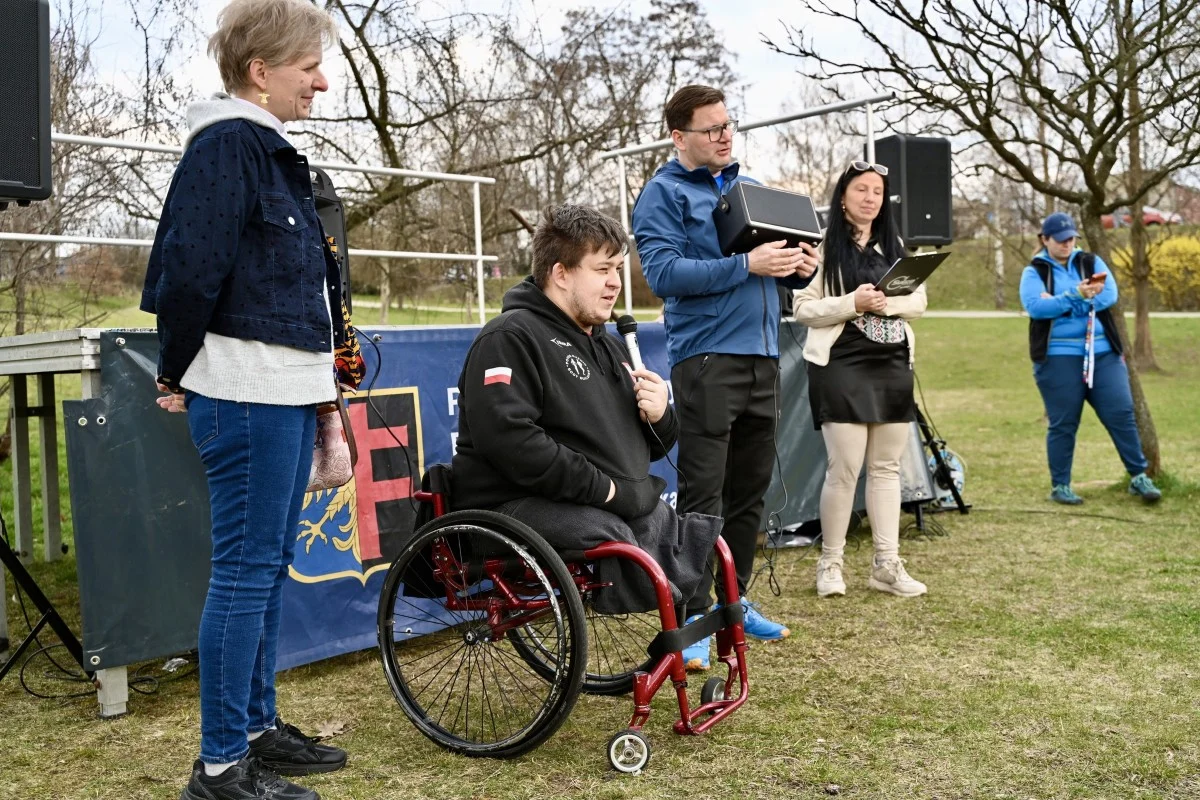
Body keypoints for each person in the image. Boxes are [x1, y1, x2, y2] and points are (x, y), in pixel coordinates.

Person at [141, 2, 354, 798]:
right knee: (244, 573)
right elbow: (188, 272)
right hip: (245, 389)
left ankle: (256, 728)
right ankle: (221, 766)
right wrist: (176, 368)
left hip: (283, 389)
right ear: (260, 72)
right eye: (310, 67)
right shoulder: (228, 143)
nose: (322, 83)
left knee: (265, 569)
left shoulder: (264, 149)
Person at [451, 204, 723, 616]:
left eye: (618, 269)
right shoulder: (509, 337)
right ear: (561, 274)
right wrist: (605, 490)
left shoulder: (610, 345)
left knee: (686, 532)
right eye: (602, 270)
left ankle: (699, 624)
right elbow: (510, 440)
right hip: (513, 502)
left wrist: (661, 416)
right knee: (619, 533)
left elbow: (650, 447)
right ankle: (673, 632)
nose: (616, 283)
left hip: (601, 499)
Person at [631, 84, 818, 671]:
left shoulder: (749, 188)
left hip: (764, 356)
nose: (724, 136)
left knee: (749, 492)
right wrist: (745, 264)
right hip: (707, 359)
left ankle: (734, 603)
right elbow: (663, 274)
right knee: (703, 495)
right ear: (678, 135)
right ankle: (691, 618)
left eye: (728, 125)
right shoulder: (662, 193)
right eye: (711, 128)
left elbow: (776, 268)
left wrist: (798, 267)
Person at [793, 161, 928, 600]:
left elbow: (919, 301)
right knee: (845, 469)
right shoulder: (822, 246)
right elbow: (802, 308)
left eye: (877, 192)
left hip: (892, 364)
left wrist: (887, 303)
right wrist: (853, 302)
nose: (870, 198)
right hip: (841, 364)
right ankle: (830, 563)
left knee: (887, 468)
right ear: (843, 197)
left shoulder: (895, 245)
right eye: (861, 189)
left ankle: (886, 565)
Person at [1019, 212, 1162, 505]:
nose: (1067, 244)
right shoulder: (1034, 272)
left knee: (1121, 412)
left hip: (1103, 354)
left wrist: (1063, 303)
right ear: (1045, 239)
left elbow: (1108, 295)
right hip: (1058, 358)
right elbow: (1036, 308)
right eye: (1061, 240)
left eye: (1071, 238)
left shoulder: (1090, 262)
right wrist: (1077, 295)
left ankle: (1139, 476)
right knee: (1064, 423)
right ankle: (1060, 486)